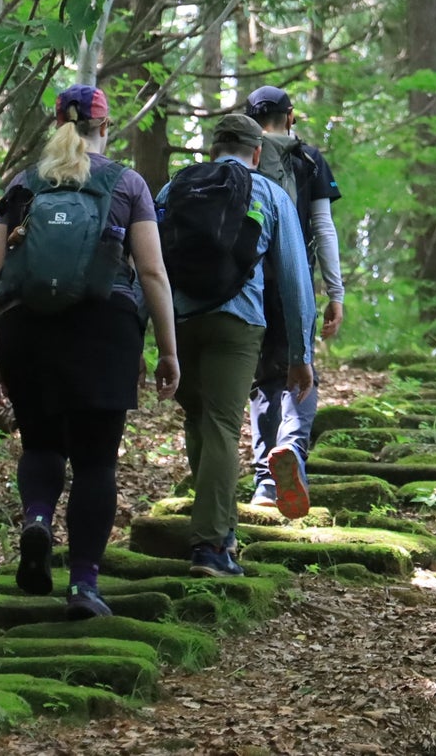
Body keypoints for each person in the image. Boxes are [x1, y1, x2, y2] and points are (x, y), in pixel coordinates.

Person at [0, 83, 179, 620]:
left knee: (41, 445)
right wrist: (168, 351)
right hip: (104, 328)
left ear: (56, 125)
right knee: (95, 462)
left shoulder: (21, 186)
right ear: (104, 128)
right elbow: (154, 273)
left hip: (27, 329)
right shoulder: (127, 183)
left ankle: (38, 520)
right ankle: (85, 587)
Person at [158, 111, 315, 575]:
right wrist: (300, 354)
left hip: (181, 322)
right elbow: (294, 279)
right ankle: (209, 546)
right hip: (238, 323)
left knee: (200, 421)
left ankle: (221, 532)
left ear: (213, 148)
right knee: (224, 426)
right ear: (258, 151)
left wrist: (147, 336)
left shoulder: (173, 189)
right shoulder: (269, 192)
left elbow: (149, 264)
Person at [243, 84, 344, 513]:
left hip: (246, 283)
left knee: (262, 379)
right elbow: (323, 228)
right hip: (294, 278)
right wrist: (335, 291)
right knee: (301, 372)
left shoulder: (240, 158)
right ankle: (291, 450)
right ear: (290, 116)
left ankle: (266, 484)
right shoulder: (307, 159)